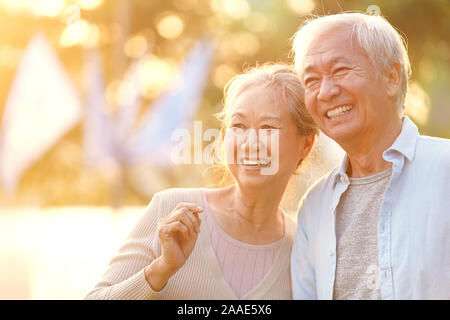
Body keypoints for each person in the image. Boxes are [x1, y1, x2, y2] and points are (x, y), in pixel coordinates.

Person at [85, 64, 318, 300]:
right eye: (238, 126)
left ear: (305, 145)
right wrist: (162, 268)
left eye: (268, 127)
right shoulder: (171, 210)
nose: (249, 143)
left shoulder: (301, 250)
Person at [290, 12, 450, 300]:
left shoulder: (445, 170)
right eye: (312, 80)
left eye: (340, 71)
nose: (325, 92)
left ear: (391, 78)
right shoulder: (314, 206)